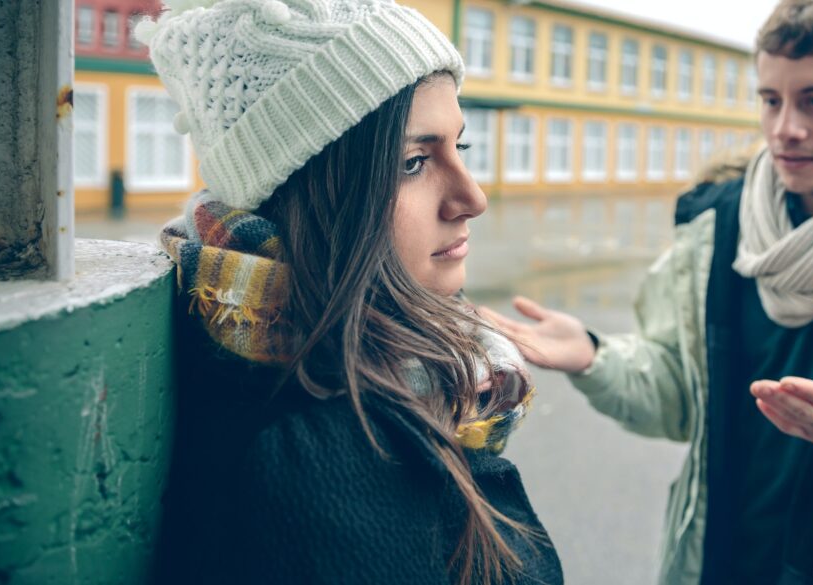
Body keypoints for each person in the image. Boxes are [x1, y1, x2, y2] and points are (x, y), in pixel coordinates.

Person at [484, 0, 813, 583]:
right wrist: (598, 356)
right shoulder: (716, 226)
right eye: (771, 99)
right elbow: (684, 401)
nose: (786, 129)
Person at [137, 1, 562, 584]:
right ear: (310, 191)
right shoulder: (332, 453)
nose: (472, 197)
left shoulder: (371, 372)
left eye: (459, 149)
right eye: (413, 162)